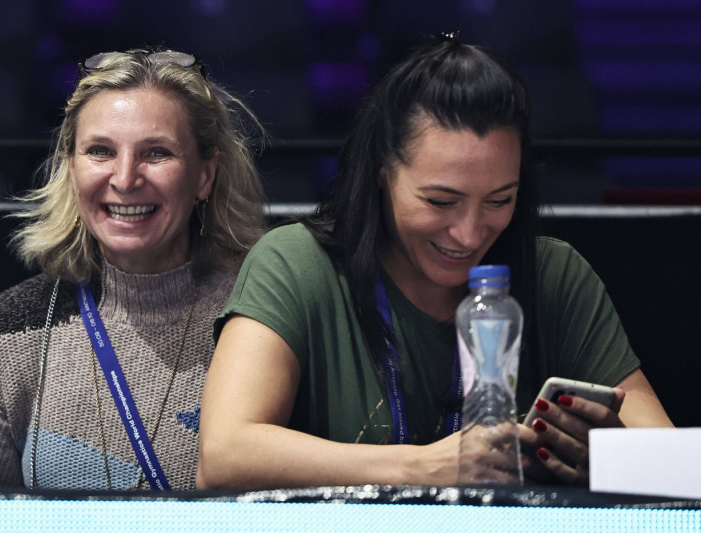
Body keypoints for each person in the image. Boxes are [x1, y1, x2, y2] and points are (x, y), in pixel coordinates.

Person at [196, 35, 673, 490]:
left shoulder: (555, 275)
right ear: (382, 171)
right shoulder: (297, 264)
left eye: (499, 200)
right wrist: (423, 467)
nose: (468, 234)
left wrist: (611, 458)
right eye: (441, 201)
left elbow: (674, 466)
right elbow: (223, 457)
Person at [0, 47, 266, 490]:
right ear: (71, 169)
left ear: (205, 175)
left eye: (156, 152)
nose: (126, 178)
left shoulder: (267, 315)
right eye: (100, 151)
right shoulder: (4, 337)